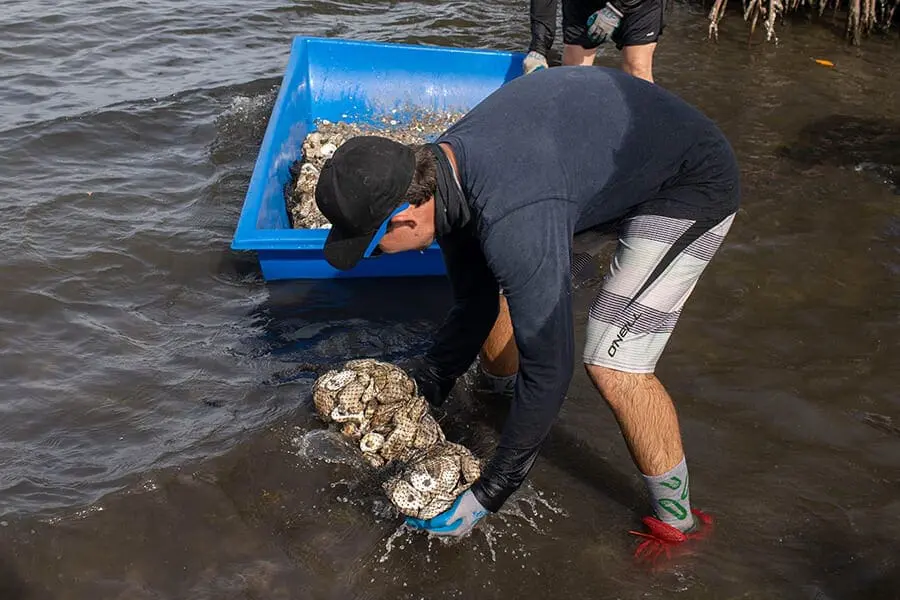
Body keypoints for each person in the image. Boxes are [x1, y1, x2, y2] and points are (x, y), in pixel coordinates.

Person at [313, 67, 739, 558]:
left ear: (405, 215)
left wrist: (493, 489)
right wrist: (427, 384)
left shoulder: (512, 214)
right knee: (507, 284)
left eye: (375, 246)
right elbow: (474, 301)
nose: (377, 256)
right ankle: (498, 398)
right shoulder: (440, 172)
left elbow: (551, 368)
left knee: (612, 362)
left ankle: (680, 523)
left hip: (687, 182)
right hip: (589, 163)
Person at [523, 0, 665, 83]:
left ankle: (646, 124)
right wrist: (538, 48)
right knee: (573, 72)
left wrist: (616, 9)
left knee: (637, 67)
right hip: (583, 4)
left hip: (639, 5)